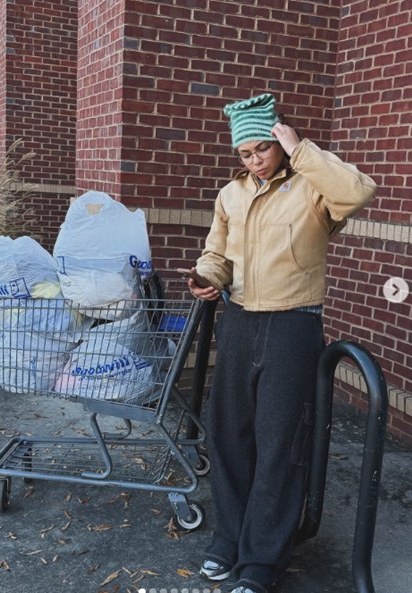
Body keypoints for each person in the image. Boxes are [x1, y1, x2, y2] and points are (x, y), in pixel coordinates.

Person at [187, 93, 376, 593]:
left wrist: (300, 149)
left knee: (279, 445)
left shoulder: (312, 188)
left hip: (294, 326)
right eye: (244, 154)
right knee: (229, 436)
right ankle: (229, 539)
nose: (253, 161)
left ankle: (261, 561)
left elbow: (359, 191)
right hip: (239, 322)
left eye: (261, 150)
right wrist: (205, 275)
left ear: (278, 139)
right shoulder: (231, 195)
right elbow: (217, 251)